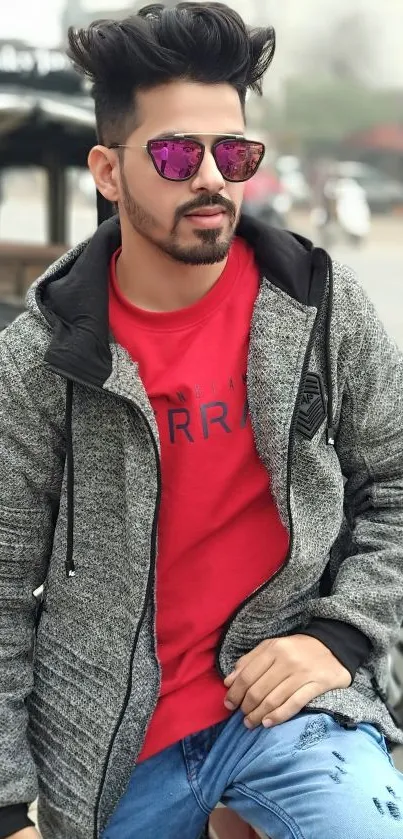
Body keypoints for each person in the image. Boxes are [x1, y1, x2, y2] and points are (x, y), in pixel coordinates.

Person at [1, 4, 403, 839]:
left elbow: (395, 481)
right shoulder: (38, 363)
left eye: (234, 152)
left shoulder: (317, 307)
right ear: (108, 172)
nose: (211, 177)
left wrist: (340, 633)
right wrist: (9, 810)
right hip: (110, 760)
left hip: (288, 708)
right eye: (178, 153)